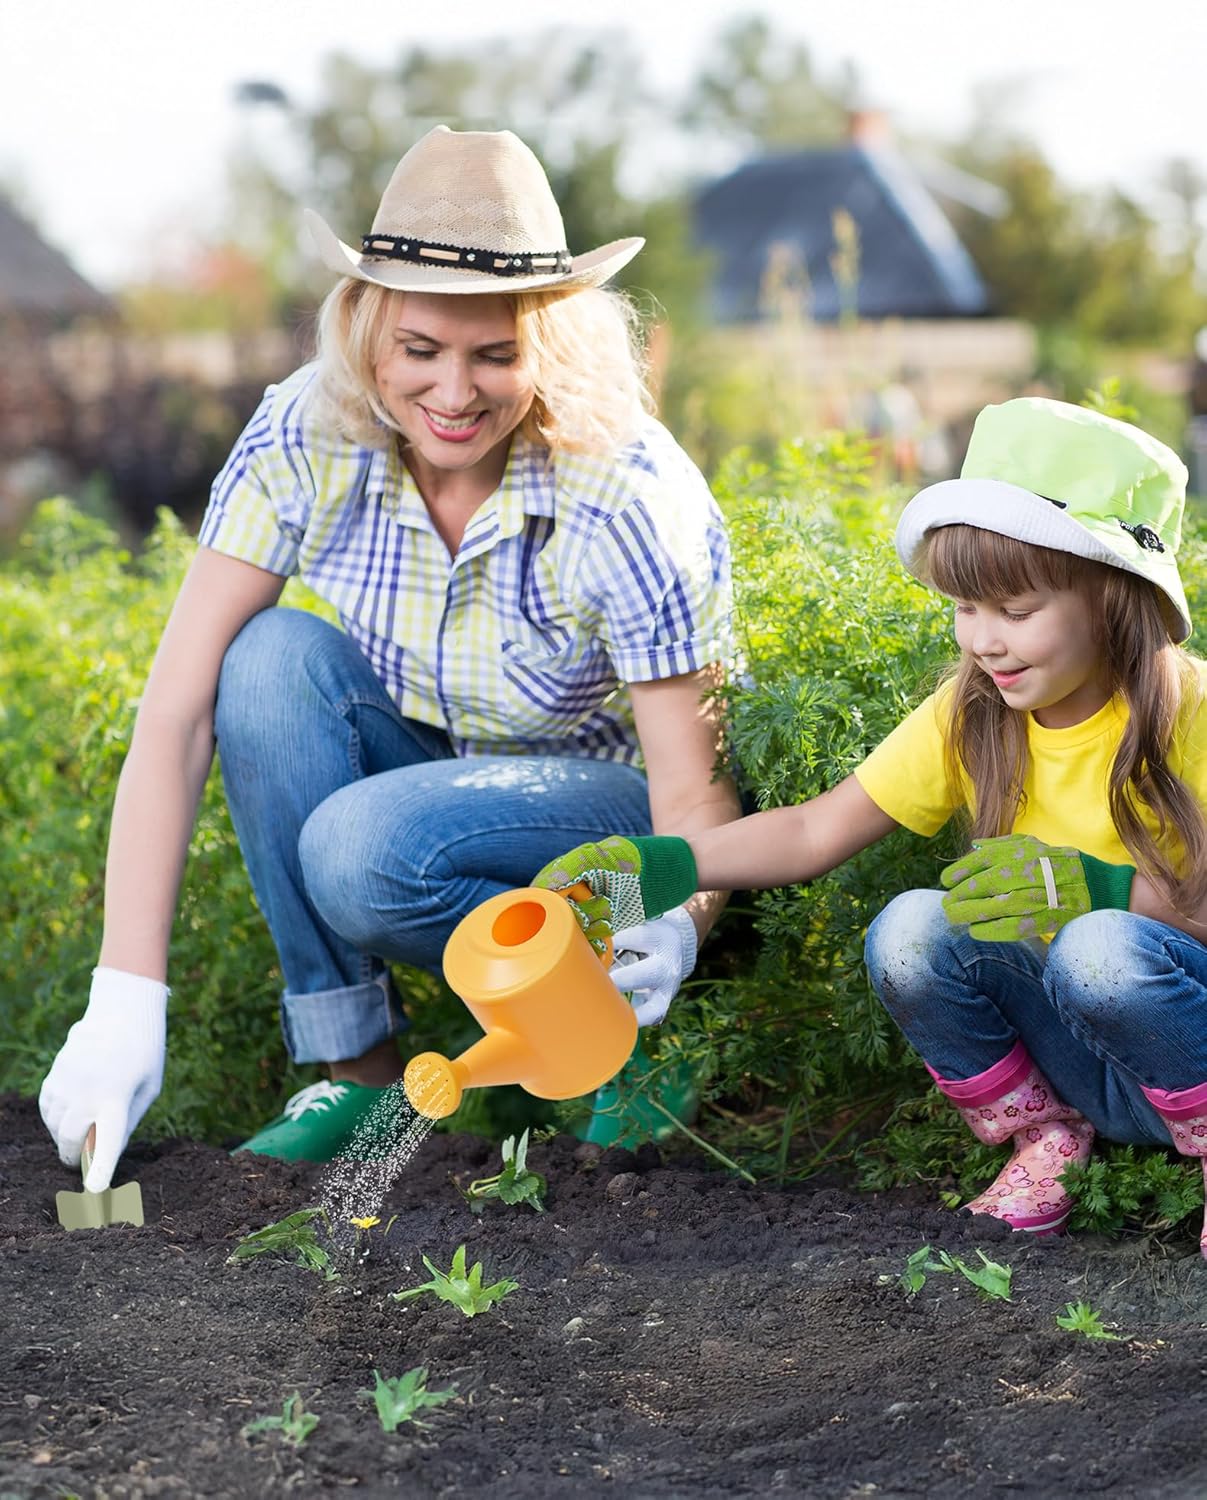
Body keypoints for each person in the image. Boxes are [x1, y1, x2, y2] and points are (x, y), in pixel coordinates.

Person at [38, 125, 739, 1190]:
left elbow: (692, 792)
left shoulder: (625, 491)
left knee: (365, 850)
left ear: (546, 343)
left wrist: (679, 927)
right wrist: (123, 995)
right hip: (431, 769)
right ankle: (355, 1069)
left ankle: (625, 1035)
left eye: (494, 354)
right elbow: (174, 715)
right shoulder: (307, 434)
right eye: (421, 350)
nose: (453, 392)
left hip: (604, 817)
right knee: (265, 658)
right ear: (368, 331)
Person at [535, 396, 1207, 1256]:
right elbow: (815, 831)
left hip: (1175, 1021)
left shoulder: (1187, 713)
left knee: (1099, 947)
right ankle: (1049, 1141)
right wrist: (659, 869)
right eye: (965, 609)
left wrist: (1101, 891)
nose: (985, 642)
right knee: (907, 930)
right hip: (1093, 1058)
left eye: (1015, 609)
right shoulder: (974, 712)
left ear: (1114, 598)